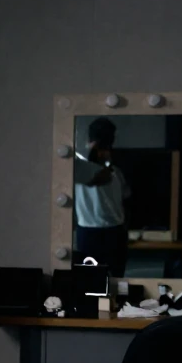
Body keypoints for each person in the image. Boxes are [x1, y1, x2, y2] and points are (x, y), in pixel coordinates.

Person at [74, 117, 130, 277]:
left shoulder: (114, 172)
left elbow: (125, 197)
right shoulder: (78, 165)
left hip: (103, 231)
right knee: (105, 278)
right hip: (101, 231)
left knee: (97, 279)